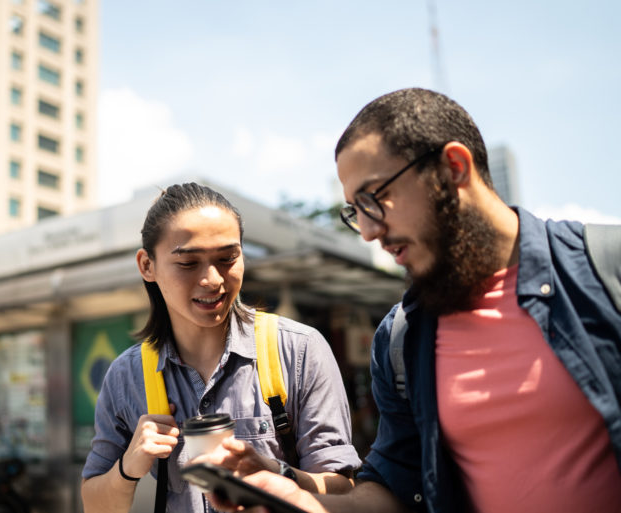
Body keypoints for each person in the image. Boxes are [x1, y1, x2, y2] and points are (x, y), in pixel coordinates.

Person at [228, 88, 621, 513]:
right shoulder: (401, 338)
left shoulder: (605, 271)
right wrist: (299, 501)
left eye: (373, 199)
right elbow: (395, 488)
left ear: (453, 167)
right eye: (354, 211)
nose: (366, 231)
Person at [81, 183, 361, 513]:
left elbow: (342, 489)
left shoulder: (299, 350)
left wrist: (276, 473)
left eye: (228, 258)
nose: (213, 280)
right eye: (188, 263)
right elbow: (95, 504)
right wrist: (128, 468)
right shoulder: (126, 376)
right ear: (147, 266)